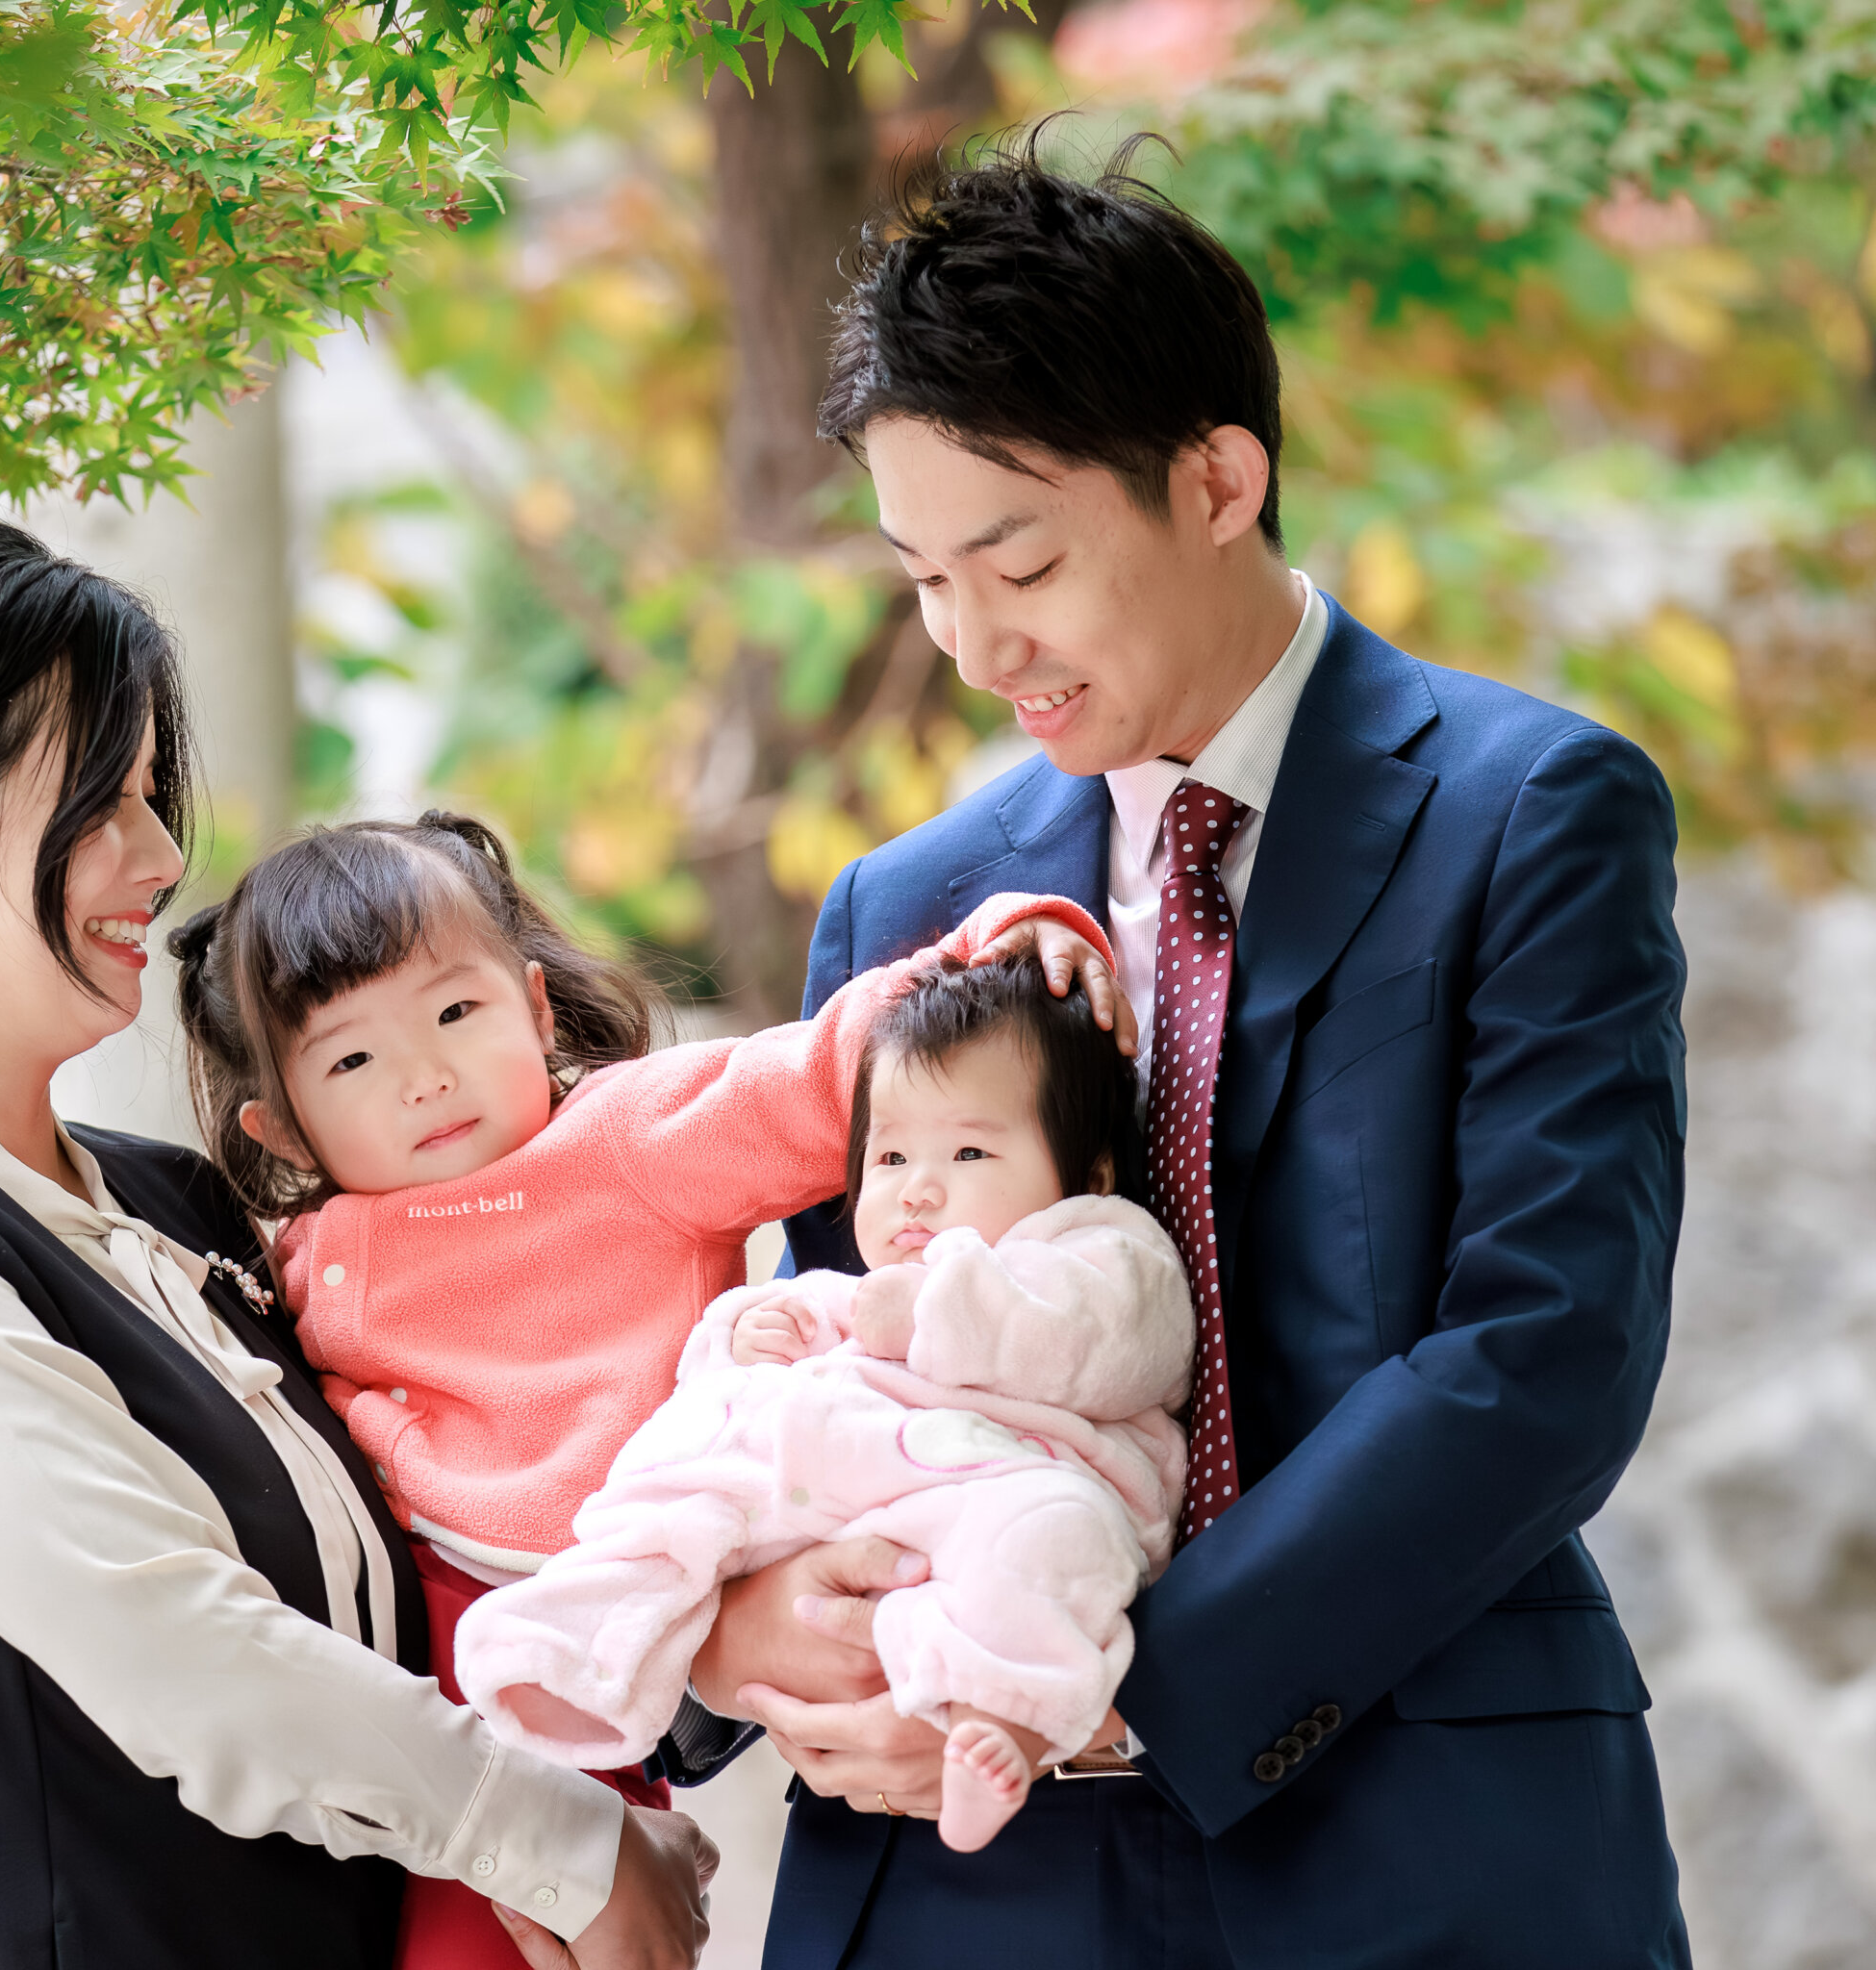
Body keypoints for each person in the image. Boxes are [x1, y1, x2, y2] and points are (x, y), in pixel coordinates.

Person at [688, 145, 1691, 1966]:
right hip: (963, 1862)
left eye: (1024, 559)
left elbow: (1547, 1344)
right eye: (922, 579)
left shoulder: (1531, 811)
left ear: (1218, 477)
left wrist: (1122, 1683)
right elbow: (829, 1340)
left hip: (1411, 1826)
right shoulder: (901, 900)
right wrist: (743, 1615)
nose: (978, 645)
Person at [0, 514, 718, 1970]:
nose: (162, 855)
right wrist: (562, 1845)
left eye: (150, 797)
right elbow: (186, 1652)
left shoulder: (175, 1208)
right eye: (100, 803)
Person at [168, 815, 1113, 1965]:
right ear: (284, 1124)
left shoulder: (630, 1136)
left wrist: (991, 950)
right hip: (411, 1625)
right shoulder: (313, 1251)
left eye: (455, 1013)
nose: (423, 1077)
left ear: (535, 1005)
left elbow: (825, 1074)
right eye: (352, 1060)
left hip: (627, 1586)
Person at [454, 952, 1194, 1855]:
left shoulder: (1100, 1247)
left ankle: (1007, 1722)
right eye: (889, 1154)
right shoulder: (863, 1285)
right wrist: (745, 1337)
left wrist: (938, 1307)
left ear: (1093, 1170)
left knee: (1055, 1541)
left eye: (969, 1151)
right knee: (688, 1459)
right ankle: (584, 1637)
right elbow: (789, 1330)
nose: (917, 1185)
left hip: (1010, 1489)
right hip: (847, 1498)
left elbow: (1110, 1340)